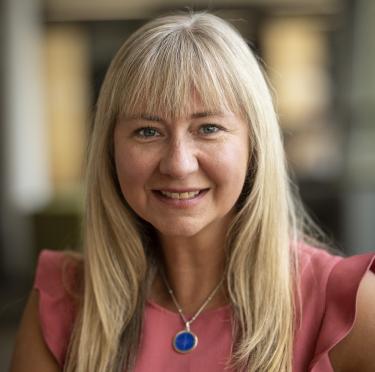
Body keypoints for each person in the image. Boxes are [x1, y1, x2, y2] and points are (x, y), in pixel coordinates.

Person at [10, 11, 375, 372]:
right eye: (148, 131)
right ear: (110, 149)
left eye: (209, 128)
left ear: (254, 145)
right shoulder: (62, 303)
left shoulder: (346, 306)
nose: (178, 164)